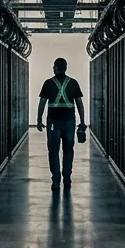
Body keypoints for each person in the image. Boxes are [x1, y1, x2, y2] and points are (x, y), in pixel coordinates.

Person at [36, 58, 87, 191]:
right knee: (68, 150)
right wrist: (82, 122)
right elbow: (79, 104)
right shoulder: (73, 83)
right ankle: (67, 179)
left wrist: (39, 120)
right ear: (66, 68)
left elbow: (42, 103)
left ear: (54, 68)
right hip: (70, 122)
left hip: (53, 122)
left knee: (53, 150)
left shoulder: (48, 83)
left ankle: (56, 181)